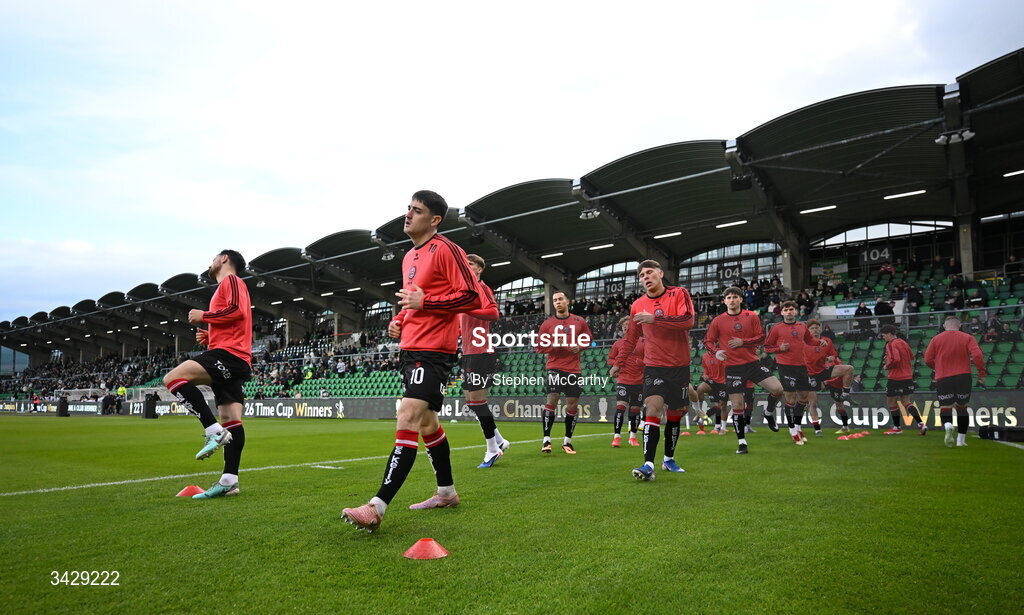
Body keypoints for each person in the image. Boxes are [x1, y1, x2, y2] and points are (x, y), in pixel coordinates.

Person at [342, 190, 482, 533]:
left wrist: (426, 303)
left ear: (434, 220)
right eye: (408, 208)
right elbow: (413, 301)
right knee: (428, 424)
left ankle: (376, 507)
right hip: (411, 347)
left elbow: (470, 296)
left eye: (416, 211)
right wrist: (400, 320)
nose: (408, 214)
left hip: (434, 350)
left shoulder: (447, 249)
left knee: (407, 415)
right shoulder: (408, 257)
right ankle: (446, 492)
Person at [162, 250, 252, 499]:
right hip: (233, 354)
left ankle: (212, 431)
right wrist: (211, 335)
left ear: (224, 258)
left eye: (214, 257)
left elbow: (237, 311)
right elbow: (237, 324)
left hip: (230, 355)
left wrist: (205, 316)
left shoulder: (231, 281)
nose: (211, 262)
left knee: (173, 379)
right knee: (231, 417)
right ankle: (229, 481)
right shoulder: (225, 287)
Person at [610, 260, 695, 478]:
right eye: (641, 275)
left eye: (649, 273)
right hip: (654, 367)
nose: (646, 277)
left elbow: (687, 321)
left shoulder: (678, 294)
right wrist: (619, 363)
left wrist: (655, 319)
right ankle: (648, 465)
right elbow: (630, 339)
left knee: (675, 416)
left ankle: (668, 459)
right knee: (653, 408)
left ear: (660, 273)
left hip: (680, 367)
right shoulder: (637, 305)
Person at [704, 286, 785, 455]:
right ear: (724, 301)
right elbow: (709, 342)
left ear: (741, 299)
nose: (732, 300)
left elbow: (761, 337)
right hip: (733, 367)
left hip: (753, 364)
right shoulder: (718, 321)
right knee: (737, 405)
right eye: (729, 297)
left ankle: (768, 412)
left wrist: (743, 342)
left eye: (735, 297)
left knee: (778, 389)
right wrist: (716, 352)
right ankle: (742, 442)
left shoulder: (751, 316)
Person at [458, 253, 508, 468]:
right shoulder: (464, 291)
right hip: (469, 351)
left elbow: (494, 313)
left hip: (481, 351)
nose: (465, 267)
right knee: (471, 401)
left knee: (477, 401)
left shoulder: (482, 288)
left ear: (479, 269)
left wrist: (466, 308)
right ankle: (499, 441)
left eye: (469, 264)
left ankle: (492, 449)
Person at [535, 290, 593, 454]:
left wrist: (579, 347)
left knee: (573, 404)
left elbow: (588, 340)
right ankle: (546, 439)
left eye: (561, 299)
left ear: (567, 301)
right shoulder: (547, 324)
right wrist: (554, 346)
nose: (558, 302)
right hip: (554, 367)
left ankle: (567, 441)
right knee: (552, 398)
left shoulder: (579, 321)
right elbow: (538, 347)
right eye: (555, 300)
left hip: (574, 369)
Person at [764, 301, 828, 444]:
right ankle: (792, 430)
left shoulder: (802, 326)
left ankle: (798, 427)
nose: (788, 312)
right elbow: (767, 347)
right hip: (785, 366)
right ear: (782, 313)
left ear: (796, 312)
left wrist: (819, 342)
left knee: (804, 398)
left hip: (801, 365)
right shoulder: (776, 328)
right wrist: (780, 348)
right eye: (786, 310)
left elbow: (810, 340)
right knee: (790, 398)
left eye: (791, 309)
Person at [924, 316, 986, 448]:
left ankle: (948, 426)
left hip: (943, 377)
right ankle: (961, 440)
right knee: (962, 407)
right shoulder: (967, 337)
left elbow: (927, 359)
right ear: (960, 325)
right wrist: (981, 373)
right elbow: (978, 355)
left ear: (944, 326)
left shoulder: (936, 339)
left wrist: (937, 368)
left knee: (945, 407)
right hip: (963, 376)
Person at [804, 319, 855, 435]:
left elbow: (833, 355)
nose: (815, 330)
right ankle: (817, 429)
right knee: (813, 403)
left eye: (817, 328)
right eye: (812, 328)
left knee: (849, 369)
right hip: (810, 374)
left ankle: (846, 395)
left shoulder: (827, 341)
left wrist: (830, 358)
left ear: (821, 329)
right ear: (807, 331)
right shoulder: (803, 342)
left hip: (826, 373)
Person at [879, 324, 926, 436]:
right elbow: (911, 357)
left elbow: (896, 359)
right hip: (907, 376)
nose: (883, 337)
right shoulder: (903, 342)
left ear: (889, 334)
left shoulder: (890, 344)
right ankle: (921, 424)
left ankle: (897, 427)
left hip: (896, 377)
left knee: (891, 402)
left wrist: (887, 366)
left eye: (884, 335)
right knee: (906, 402)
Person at [607, 316, 645, 447]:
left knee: (635, 409)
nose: (625, 327)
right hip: (623, 379)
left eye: (628, 325)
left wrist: (642, 362)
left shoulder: (644, 342)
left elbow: (651, 359)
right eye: (623, 325)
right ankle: (616, 437)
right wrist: (618, 364)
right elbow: (610, 360)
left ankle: (633, 437)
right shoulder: (617, 344)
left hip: (639, 381)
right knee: (621, 407)